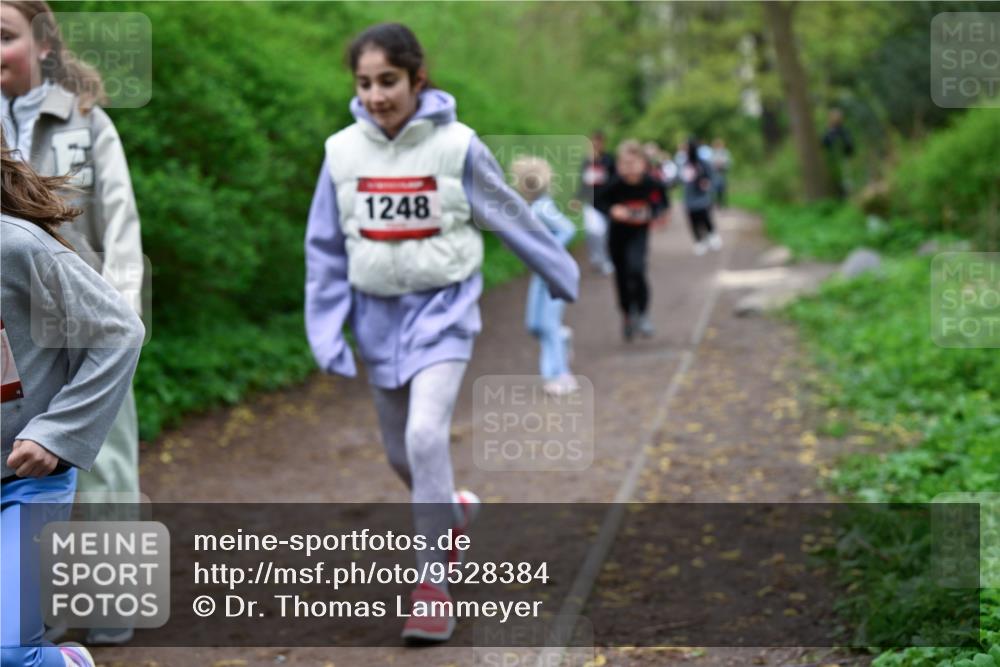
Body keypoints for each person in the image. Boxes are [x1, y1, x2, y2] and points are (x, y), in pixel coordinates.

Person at [304, 23, 579, 643]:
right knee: (403, 455)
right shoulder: (341, 152)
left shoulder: (457, 146)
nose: (377, 95)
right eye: (365, 83)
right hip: (377, 320)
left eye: (389, 81)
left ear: (417, 78)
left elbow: (510, 213)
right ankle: (451, 510)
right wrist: (327, 332)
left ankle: (431, 586)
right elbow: (324, 248)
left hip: (444, 312)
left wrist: (559, 272)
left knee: (427, 435)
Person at [1, 5, 145, 647]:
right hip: (17, 331)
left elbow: (121, 223)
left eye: (4, 36)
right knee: (29, 465)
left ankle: (111, 601)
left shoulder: (86, 122)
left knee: (103, 456)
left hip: (90, 321)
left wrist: (123, 309)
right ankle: (40, 608)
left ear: (42, 43)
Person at [512, 156, 578, 397]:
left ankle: (559, 375)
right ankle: (563, 338)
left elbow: (567, 230)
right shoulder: (533, 208)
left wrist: (548, 254)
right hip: (541, 275)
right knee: (535, 325)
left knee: (548, 326)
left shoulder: (543, 208)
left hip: (554, 274)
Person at [596, 140, 669, 342]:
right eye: (624, 163)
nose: (629, 168)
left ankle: (643, 313)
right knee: (621, 276)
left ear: (643, 163)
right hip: (617, 235)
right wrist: (612, 210)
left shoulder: (651, 184)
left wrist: (651, 212)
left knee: (636, 269)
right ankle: (628, 314)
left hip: (639, 234)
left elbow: (662, 202)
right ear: (618, 165)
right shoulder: (614, 184)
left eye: (633, 163)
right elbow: (597, 200)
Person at [573, 130, 615, 275]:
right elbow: (583, 183)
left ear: (603, 143)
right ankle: (597, 259)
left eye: (598, 142)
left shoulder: (609, 160)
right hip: (591, 204)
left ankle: (607, 259)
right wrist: (577, 199)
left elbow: (615, 181)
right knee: (593, 232)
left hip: (608, 204)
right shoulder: (586, 162)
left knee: (606, 234)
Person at [682, 138, 720, 256]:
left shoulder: (703, 163)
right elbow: (681, 179)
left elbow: (712, 178)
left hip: (702, 197)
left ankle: (711, 236)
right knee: (693, 220)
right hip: (689, 198)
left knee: (705, 217)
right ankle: (699, 241)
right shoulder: (685, 164)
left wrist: (708, 185)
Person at [821, 107, 854, 199]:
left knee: (846, 183)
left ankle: (847, 199)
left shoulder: (844, 132)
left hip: (843, 161)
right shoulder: (828, 133)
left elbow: (850, 147)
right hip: (832, 162)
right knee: (835, 183)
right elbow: (823, 145)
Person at [710, 138, 732, 208]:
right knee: (714, 188)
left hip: (722, 172)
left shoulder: (725, 152)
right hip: (714, 173)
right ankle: (714, 202)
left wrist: (722, 164)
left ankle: (722, 202)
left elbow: (728, 162)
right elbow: (710, 162)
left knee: (722, 188)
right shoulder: (712, 152)